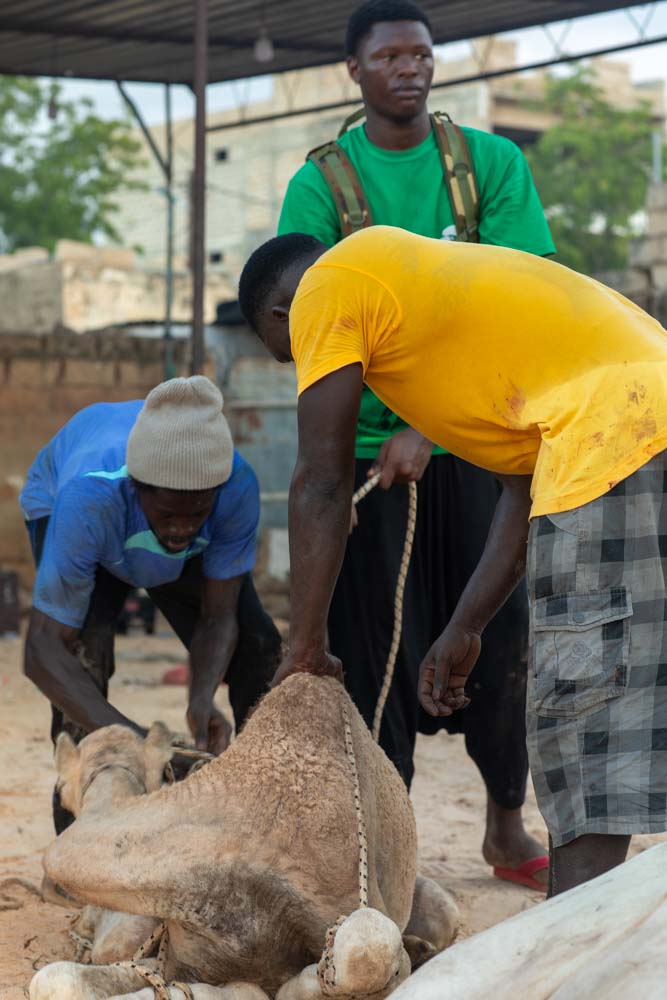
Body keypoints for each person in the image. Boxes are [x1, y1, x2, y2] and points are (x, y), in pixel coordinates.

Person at [237, 225, 667, 895]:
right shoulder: (424, 313)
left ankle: (565, 954)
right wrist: (467, 624)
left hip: (617, 436)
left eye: (288, 354)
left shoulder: (327, 285)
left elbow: (319, 481)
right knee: (622, 699)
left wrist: (304, 647)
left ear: (280, 314)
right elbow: (522, 488)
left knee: (583, 711)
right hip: (638, 420)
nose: (305, 365)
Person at [277, 0, 555, 889]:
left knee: (498, 633)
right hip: (364, 448)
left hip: (475, 437)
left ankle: (505, 823)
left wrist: (426, 426)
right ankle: (387, 841)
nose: (410, 67)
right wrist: (383, 432)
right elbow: (305, 308)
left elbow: (523, 296)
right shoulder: (320, 184)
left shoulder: (490, 165)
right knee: (375, 647)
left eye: (421, 54)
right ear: (353, 73)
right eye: (389, 55)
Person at [21, 375, 281, 832]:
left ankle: (257, 805)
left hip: (143, 524)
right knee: (84, 657)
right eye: (167, 515)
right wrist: (142, 744)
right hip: (81, 520)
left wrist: (201, 700)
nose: (181, 530)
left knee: (259, 645)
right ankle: (77, 833)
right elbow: (41, 650)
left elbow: (219, 615)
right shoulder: (91, 496)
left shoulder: (235, 486)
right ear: (137, 488)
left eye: (196, 514)